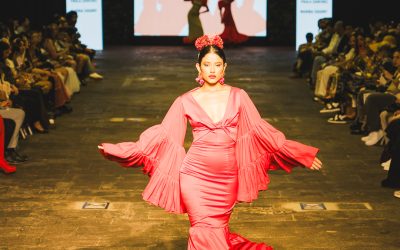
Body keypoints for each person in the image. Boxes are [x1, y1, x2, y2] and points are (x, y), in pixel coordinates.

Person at [99, 35, 322, 249]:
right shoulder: (185, 100)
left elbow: (262, 132)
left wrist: (298, 154)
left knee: (216, 229)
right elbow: (162, 134)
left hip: (226, 178)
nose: (212, 70)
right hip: (194, 176)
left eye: (217, 64)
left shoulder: (239, 96)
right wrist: (122, 150)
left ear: (225, 67)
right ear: (198, 67)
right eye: (207, 65)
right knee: (202, 229)